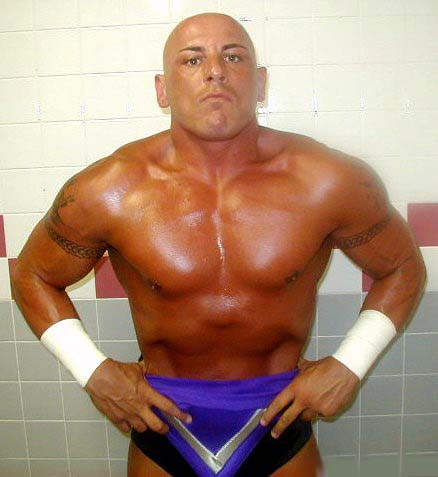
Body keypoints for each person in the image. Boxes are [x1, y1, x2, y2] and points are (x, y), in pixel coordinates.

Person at [11, 12, 426, 477]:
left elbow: (403, 267)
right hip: (163, 419)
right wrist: (94, 371)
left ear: (260, 82)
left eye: (233, 57)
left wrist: (350, 364)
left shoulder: (328, 180)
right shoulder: (110, 189)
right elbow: (32, 275)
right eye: (192, 60)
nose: (215, 71)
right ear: (162, 89)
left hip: (279, 416)